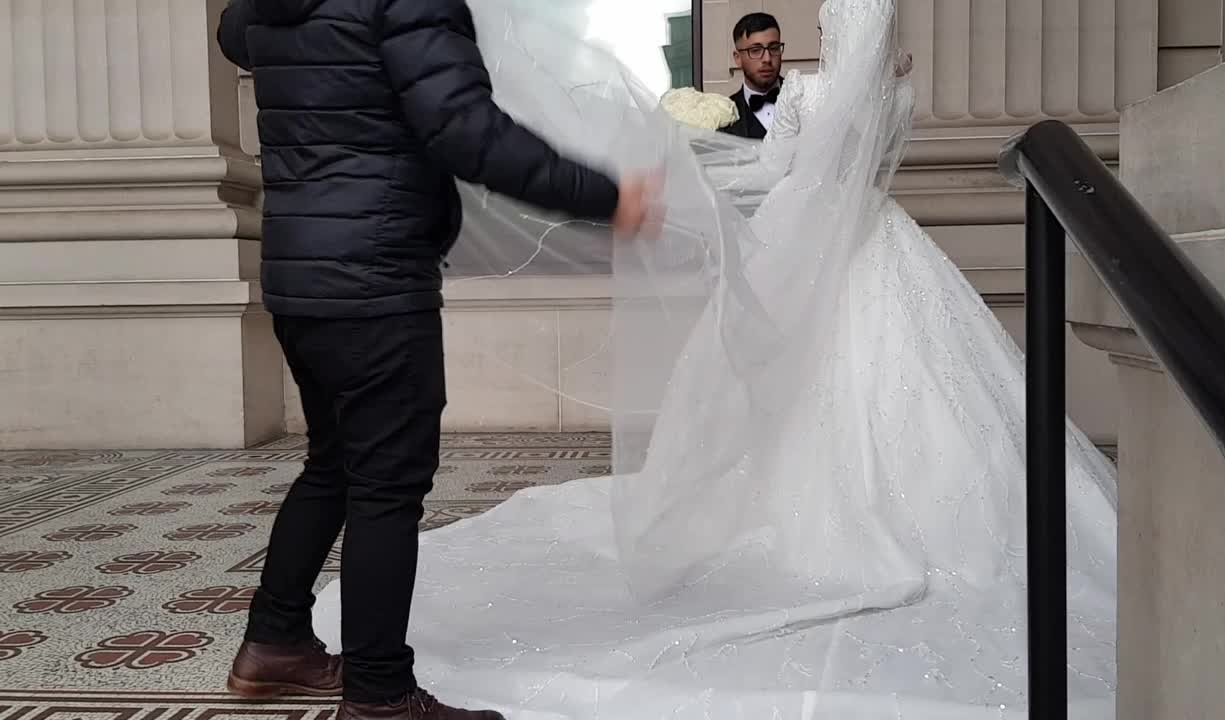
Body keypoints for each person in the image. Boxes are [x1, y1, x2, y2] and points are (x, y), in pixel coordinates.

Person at [310, 0, 1119, 718]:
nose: (820, 36)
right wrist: (688, 164)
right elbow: (798, 167)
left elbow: (783, 173)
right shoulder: (886, 95)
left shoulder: (812, 97)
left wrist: (674, 178)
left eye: (830, 27)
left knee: (819, 385)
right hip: (879, 241)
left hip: (827, 244)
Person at [214, 1, 657, 719]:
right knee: (386, 487)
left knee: (332, 463)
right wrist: (604, 196)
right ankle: (380, 694)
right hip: (376, 278)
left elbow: (234, 32)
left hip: (298, 278)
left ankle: (274, 643)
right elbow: (467, 133)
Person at [720, 13, 785, 139]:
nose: (767, 59)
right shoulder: (724, 116)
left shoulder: (805, 100)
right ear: (737, 58)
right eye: (755, 50)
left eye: (774, 48)